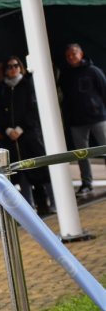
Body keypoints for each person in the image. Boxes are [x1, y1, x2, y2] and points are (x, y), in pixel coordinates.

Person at [0, 57, 53, 214]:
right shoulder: (3, 89)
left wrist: (20, 129)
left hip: (30, 135)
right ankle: (29, 208)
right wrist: (7, 130)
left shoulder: (28, 85)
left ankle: (49, 202)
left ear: (20, 67)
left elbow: (33, 109)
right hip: (12, 140)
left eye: (15, 66)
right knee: (21, 174)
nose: (13, 69)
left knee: (40, 169)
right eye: (9, 66)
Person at [59, 43, 106, 196]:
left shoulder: (93, 71)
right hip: (76, 121)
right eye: (68, 56)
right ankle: (86, 183)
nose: (71, 57)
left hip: (98, 117)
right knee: (82, 154)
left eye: (74, 54)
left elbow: (104, 90)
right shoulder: (65, 75)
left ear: (81, 53)